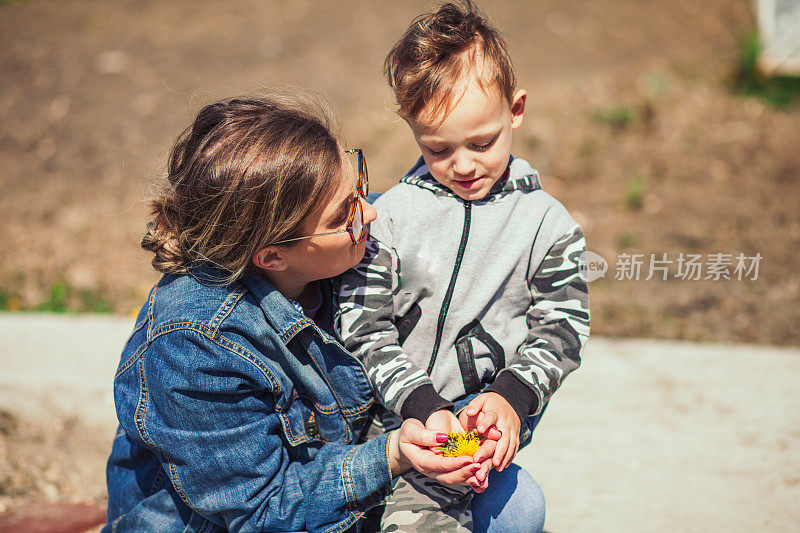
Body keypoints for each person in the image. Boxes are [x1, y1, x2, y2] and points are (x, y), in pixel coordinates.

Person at [103, 93, 493, 532]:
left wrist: (489, 408)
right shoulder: (194, 345)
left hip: (341, 506)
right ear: (272, 258)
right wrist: (394, 454)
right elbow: (263, 510)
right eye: (342, 215)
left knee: (512, 507)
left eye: (357, 186)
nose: (370, 211)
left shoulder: (345, 249)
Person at [337, 2, 590, 531]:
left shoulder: (549, 225)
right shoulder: (392, 218)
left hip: (474, 426)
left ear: (515, 110)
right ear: (412, 129)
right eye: (438, 148)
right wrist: (419, 403)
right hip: (391, 419)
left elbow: (562, 327)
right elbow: (361, 323)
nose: (464, 164)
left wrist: (513, 398)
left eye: (482, 142)